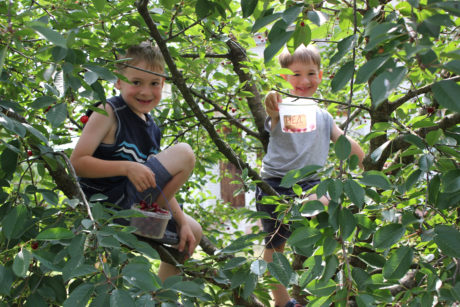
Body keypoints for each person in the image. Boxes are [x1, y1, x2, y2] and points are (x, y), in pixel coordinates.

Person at [70, 42, 202, 282]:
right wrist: (127, 167)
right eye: (136, 82)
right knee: (184, 153)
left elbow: (152, 182)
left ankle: (160, 295)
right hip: (105, 206)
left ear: (163, 84)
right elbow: (76, 163)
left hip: (134, 209)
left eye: (154, 83)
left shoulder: (152, 128)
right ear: (118, 81)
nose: (145, 91)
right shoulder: (109, 110)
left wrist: (181, 222)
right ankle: (149, 218)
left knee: (192, 231)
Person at [256, 44, 365, 307]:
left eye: (311, 73)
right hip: (277, 184)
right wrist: (273, 102)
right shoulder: (282, 108)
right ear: (283, 78)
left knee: (330, 195)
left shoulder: (323, 116)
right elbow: (272, 111)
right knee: (274, 247)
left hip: (313, 184)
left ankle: (308, 218)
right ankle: (281, 302)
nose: (304, 80)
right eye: (295, 74)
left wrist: (365, 164)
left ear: (321, 75)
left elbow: (346, 145)